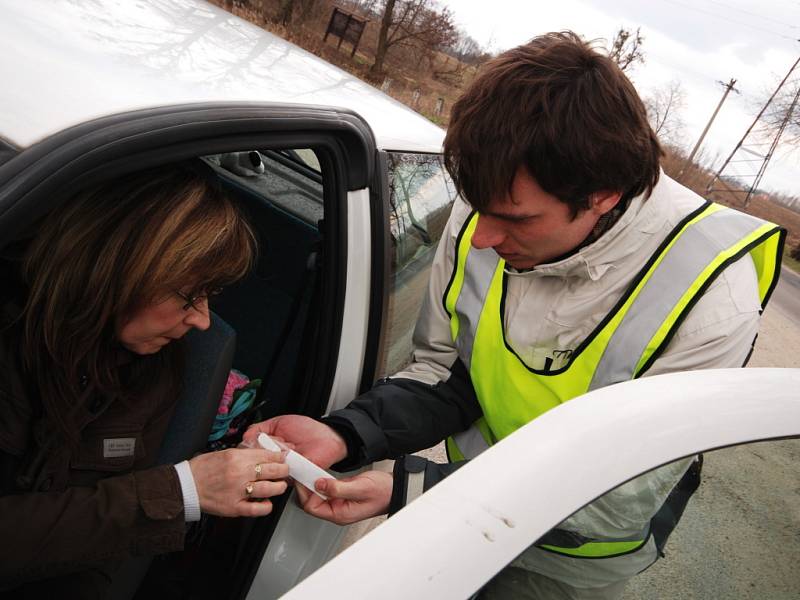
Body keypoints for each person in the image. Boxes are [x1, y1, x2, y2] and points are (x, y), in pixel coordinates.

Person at [245, 32, 785, 598]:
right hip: (453, 508)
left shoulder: (710, 298)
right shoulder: (489, 206)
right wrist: (344, 434)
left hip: (566, 563)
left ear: (603, 195)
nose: (480, 237)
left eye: (514, 220)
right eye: (474, 206)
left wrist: (412, 490)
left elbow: (618, 498)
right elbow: (446, 373)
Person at [0, 161, 289, 597]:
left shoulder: (158, 367)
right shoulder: (11, 341)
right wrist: (181, 491)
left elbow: (98, 554)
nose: (203, 321)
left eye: (211, 296)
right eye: (191, 295)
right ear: (121, 269)